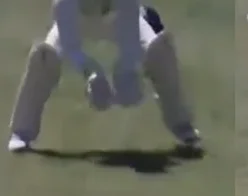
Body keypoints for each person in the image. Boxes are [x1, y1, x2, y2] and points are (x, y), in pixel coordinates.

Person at [8, 0, 200, 152]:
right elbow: (71, 47)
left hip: (118, 20)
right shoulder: (64, 4)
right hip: (76, 20)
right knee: (44, 58)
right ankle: (22, 132)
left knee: (160, 52)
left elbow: (131, 42)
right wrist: (92, 73)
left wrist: (125, 72)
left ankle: (182, 125)